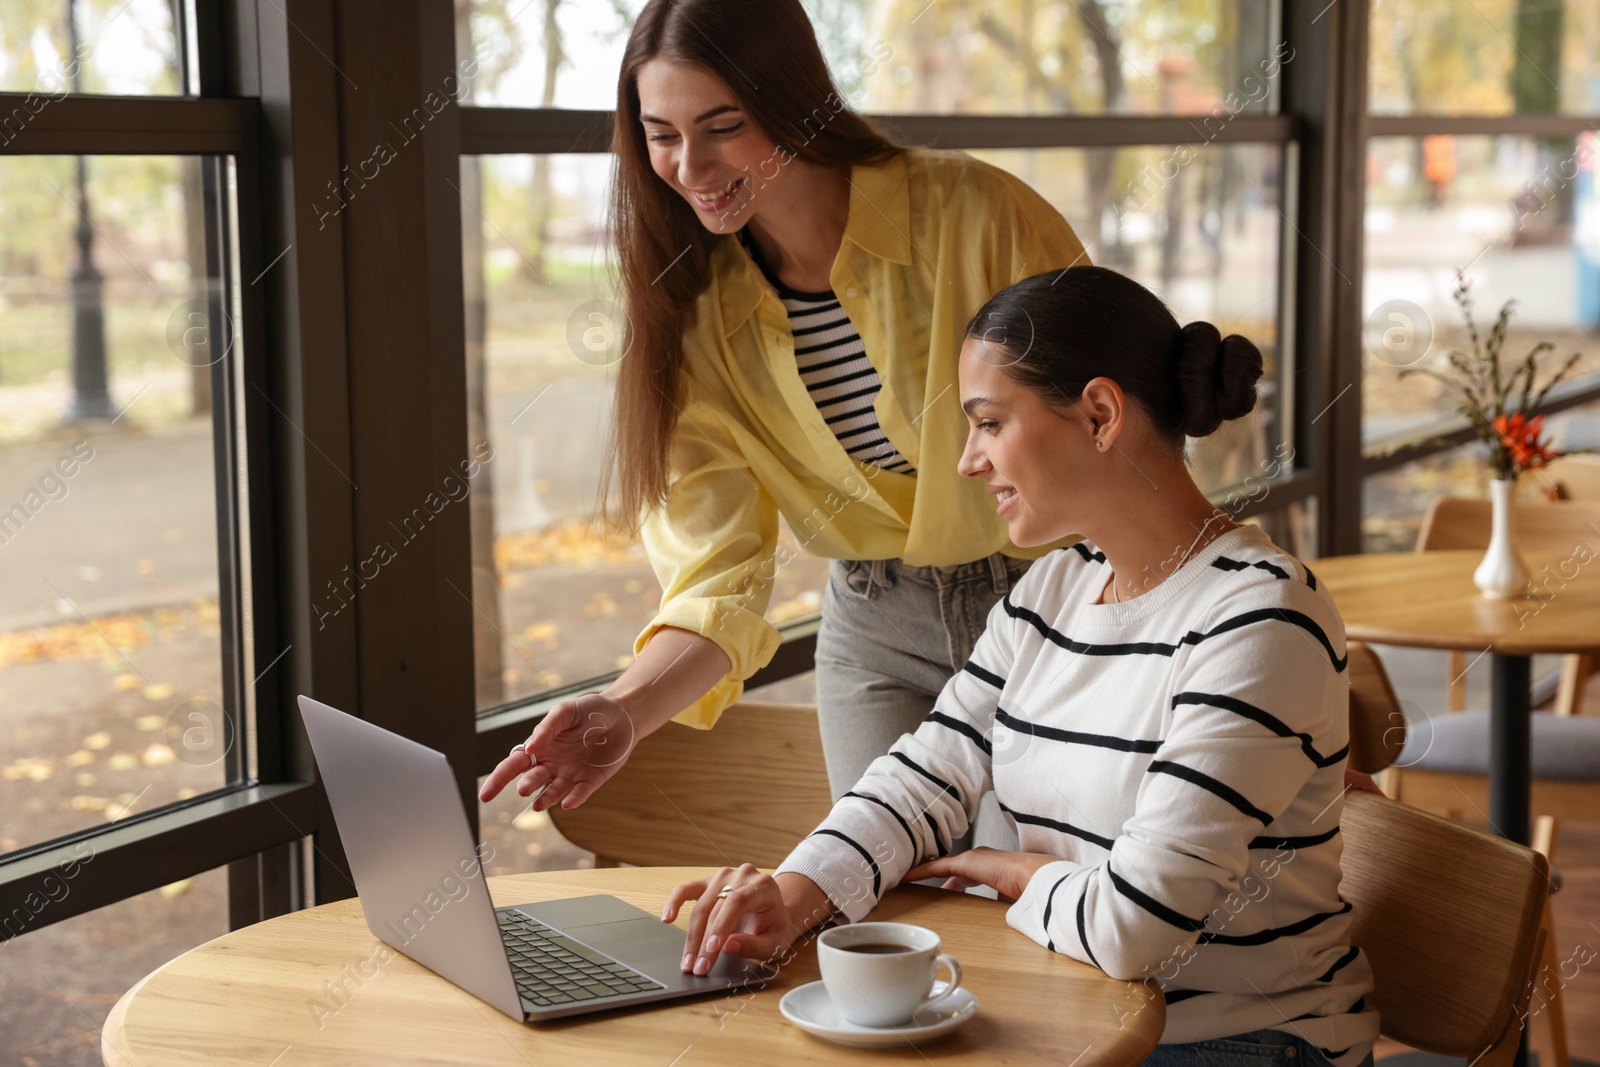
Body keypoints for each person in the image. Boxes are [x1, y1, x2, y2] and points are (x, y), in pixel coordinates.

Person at [660, 266, 1380, 1067]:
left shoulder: (1260, 620)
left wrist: (1009, 871)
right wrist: (794, 895)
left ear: (1100, 415)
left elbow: (1132, 927)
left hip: (1237, 1041)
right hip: (1069, 1010)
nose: (968, 460)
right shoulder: (1058, 585)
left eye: (990, 422)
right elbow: (925, 774)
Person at [478, 0, 1089, 819]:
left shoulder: (975, 215)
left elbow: (1114, 433)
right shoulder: (693, 320)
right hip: (876, 632)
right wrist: (625, 709)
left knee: (1040, 895)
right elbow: (717, 580)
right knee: (886, 906)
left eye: (721, 126)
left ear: (792, 101)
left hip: (1053, 597)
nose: (690, 167)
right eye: (661, 134)